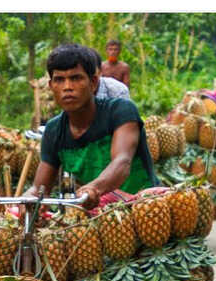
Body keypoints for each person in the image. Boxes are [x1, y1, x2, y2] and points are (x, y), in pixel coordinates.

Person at [28, 44, 156, 208]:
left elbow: (122, 162)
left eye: (76, 78)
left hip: (144, 208)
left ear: (93, 82)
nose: (67, 87)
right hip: (97, 216)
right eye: (59, 80)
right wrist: (27, 200)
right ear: (51, 86)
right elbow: (39, 189)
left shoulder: (120, 111)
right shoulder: (53, 130)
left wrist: (93, 188)